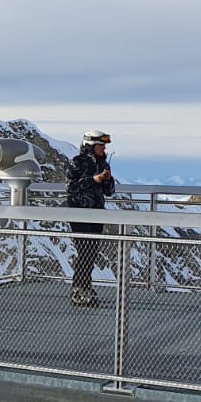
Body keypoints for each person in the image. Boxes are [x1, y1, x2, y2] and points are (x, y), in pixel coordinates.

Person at [66, 130, 116, 307]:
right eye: (101, 145)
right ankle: (79, 290)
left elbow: (109, 192)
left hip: (96, 212)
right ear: (90, 146)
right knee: (84, 251)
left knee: (91, 252)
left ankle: (85, 288)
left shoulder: (104, 164)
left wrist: (107, 180)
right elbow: (71, 187)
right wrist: (93, 179)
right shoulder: (77, 162)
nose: (103, 149)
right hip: (79, 212)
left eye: (104, 146)